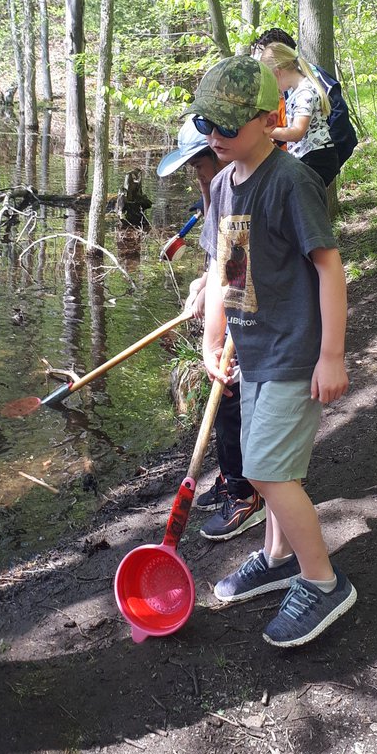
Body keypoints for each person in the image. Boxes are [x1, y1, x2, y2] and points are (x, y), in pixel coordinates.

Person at [188, 55, 356, 648]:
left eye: (229, 126)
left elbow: (330, 267)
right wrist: (214, 336)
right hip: (253, 353)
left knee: (263, 469)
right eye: (207, 123)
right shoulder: (223, 185)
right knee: (273, 466)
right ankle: (279, 557)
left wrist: (331, 354)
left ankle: (323, 581)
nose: (215, 136)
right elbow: (223, 268)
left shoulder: (289, 181)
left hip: (294, 351)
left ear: (269, 117)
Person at [157, 118, 266, 541]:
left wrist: (218, 335)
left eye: (198, 166)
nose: (197, 176)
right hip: (234, 307)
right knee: (223, 400)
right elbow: (215, 260)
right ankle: (231, 474)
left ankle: (245, 492)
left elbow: (237, 271)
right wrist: (201, 285)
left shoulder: (242, 196)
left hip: (252, 319)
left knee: (232, 398)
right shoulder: (216, 193)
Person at [259, 41, 340, 185]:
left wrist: (265, 131)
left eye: (271, 80)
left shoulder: (305, 93)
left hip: (316, 158)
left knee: (305, 203)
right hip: (310, 156)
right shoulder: (297, 91)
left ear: (278, 72)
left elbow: (297, 132)